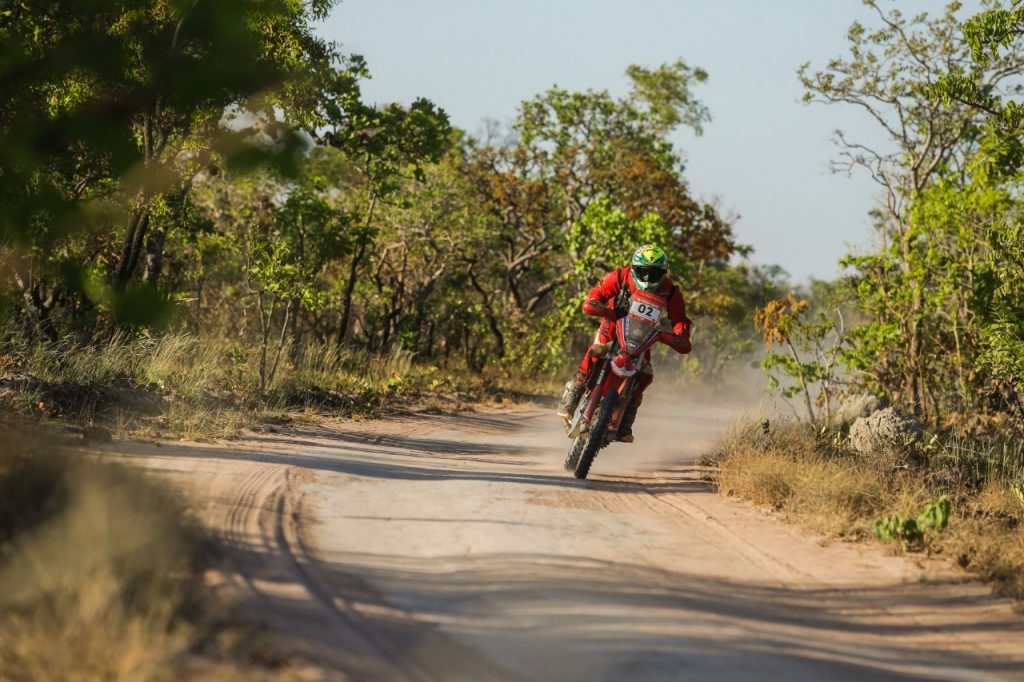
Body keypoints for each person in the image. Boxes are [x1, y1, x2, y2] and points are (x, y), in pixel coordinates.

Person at [556, 244, 692, 442]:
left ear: (663, 273)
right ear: (634, 268)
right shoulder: (621, 276)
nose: (648, 279)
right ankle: (574, 392)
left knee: (645, 374)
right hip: (613, 323)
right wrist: (596, 304)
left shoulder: (670, 291)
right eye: (643, 272)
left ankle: (626, 419)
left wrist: (681, 334)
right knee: (595, 351)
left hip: (644, 334)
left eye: (654, 274)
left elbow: (680, 319)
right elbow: (598, 292)